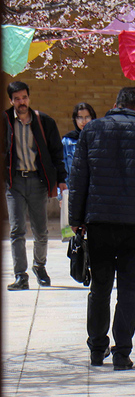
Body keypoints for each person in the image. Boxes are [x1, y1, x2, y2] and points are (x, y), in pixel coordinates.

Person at [69, 86, 135, 370]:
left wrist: (76, 219)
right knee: (128, 290)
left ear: (116, 104)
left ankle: (97, 349)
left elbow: (79, 178)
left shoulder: (91, 130)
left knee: (99, 287)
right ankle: (122, 353)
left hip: (99, 221)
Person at [3, 81, 68, 290]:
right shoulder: (4, 121)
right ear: (11, 100)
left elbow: (57, 153)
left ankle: (39, 266)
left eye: (24, 97)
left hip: (37, 181)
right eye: (17, 99)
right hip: (14, 183)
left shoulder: (44, 122)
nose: (21, 102)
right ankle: (20, 276)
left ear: (29, 98)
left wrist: (61, 181)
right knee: (17, 230)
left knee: (41, 230)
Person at [62, 102, 96, 187]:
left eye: (87, 117)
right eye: (80, 117)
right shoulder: (67, 141)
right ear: (75, 119)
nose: (84, 121)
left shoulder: (98, 139)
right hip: (73, 188)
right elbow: (63, 170)